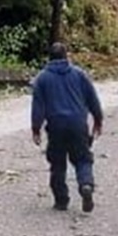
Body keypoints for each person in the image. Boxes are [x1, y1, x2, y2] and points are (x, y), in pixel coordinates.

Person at [30, 41, 104, 212]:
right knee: (83, 159)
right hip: (78, 124)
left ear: (49, 58)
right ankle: (85, 184)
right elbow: (92, 98)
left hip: (56, 126)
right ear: (66, 56)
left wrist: (36, 128)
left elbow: (38, 107)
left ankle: (61, 200)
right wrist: (98, 119)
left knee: (57, 163)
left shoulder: (42, 78)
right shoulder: (79, 74)